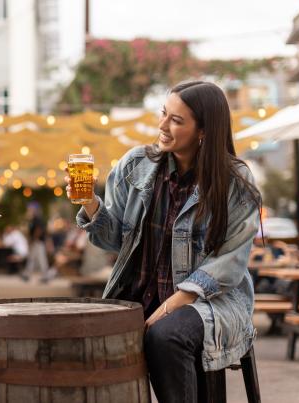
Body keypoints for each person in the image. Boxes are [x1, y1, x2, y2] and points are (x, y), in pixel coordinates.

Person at [69, 81, 261, 402]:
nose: (162, 126)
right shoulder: (135, 166)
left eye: (176, 120)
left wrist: (176, 302)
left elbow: (231, 262)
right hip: (139, 296)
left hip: (213, 301)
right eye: (163, 114)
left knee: (166, 335)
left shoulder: (234, 182)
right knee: (80, 332)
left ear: (203, 131)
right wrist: (90, 202)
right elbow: (116, 239)